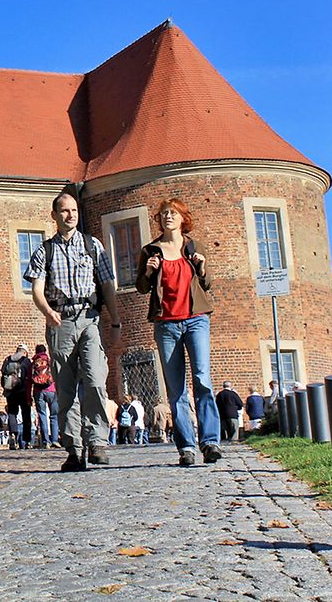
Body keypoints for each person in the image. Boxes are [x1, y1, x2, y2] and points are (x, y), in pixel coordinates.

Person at [24, 192, 122, 471]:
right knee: (65, 389)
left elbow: (107, 286)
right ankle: (74, 449)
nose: (71, 215)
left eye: (74, 210)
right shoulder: (45, 250)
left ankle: (96, 441)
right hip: (61, 322)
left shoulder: (93, 246)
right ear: (54, 216)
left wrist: (115, 322)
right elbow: (36, 290)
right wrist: (47, 311)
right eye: (65, 211)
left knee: (94, 379)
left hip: (89, 319)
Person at [136, 198, 222, 467]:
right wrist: (149, 272)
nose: (167, 217)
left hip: (196, 319)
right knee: (176, 389)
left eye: (172, 213)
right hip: (166, 323)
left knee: (202, 379)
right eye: (163, 214)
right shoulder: (151, 250)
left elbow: (206, 283)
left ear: (183, 217)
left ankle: (210, 442)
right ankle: (186, 446)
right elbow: (141, 287)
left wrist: (202, 266)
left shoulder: (193, 247)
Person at [2, 343, 33, 449]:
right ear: (24, 352)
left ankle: (13, 435)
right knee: (26, 415)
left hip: (10, 391)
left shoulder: (7, 359)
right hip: (23, 391)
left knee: (12, 413)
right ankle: (27, 440)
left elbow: (3, 374)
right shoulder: (26, 361)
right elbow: (30, 376)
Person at [31, 343, 60, 448]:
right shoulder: (50, 361)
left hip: (38, 392)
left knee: (42, 415)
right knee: (54, 416)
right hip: (52, 390)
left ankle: (45, 441)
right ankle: (55, 439)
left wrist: (29, 396)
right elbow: (57, 375)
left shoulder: (34, 363)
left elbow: (29, 381)